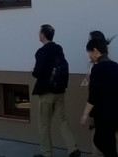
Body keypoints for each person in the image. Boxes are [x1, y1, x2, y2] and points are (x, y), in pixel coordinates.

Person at [32, 24, 81, 157]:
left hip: (46, 92)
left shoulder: (41, 52)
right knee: (62, 120)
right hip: (59, 91)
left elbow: (38, 72)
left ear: (43, 35)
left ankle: (46, 153)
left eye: (39, 33)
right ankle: (73, 148)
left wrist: (34, 72)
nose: (38, 35)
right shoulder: (59, 49)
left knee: (44, 123)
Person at [80, 38, 118, 157]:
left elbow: (93, 95)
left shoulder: (97, 69)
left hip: (102, 113)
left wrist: (85, 114)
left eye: (89, 53)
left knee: (100, 141)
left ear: (95, 51)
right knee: (110, 143)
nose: (90, 56)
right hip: (116, 111)